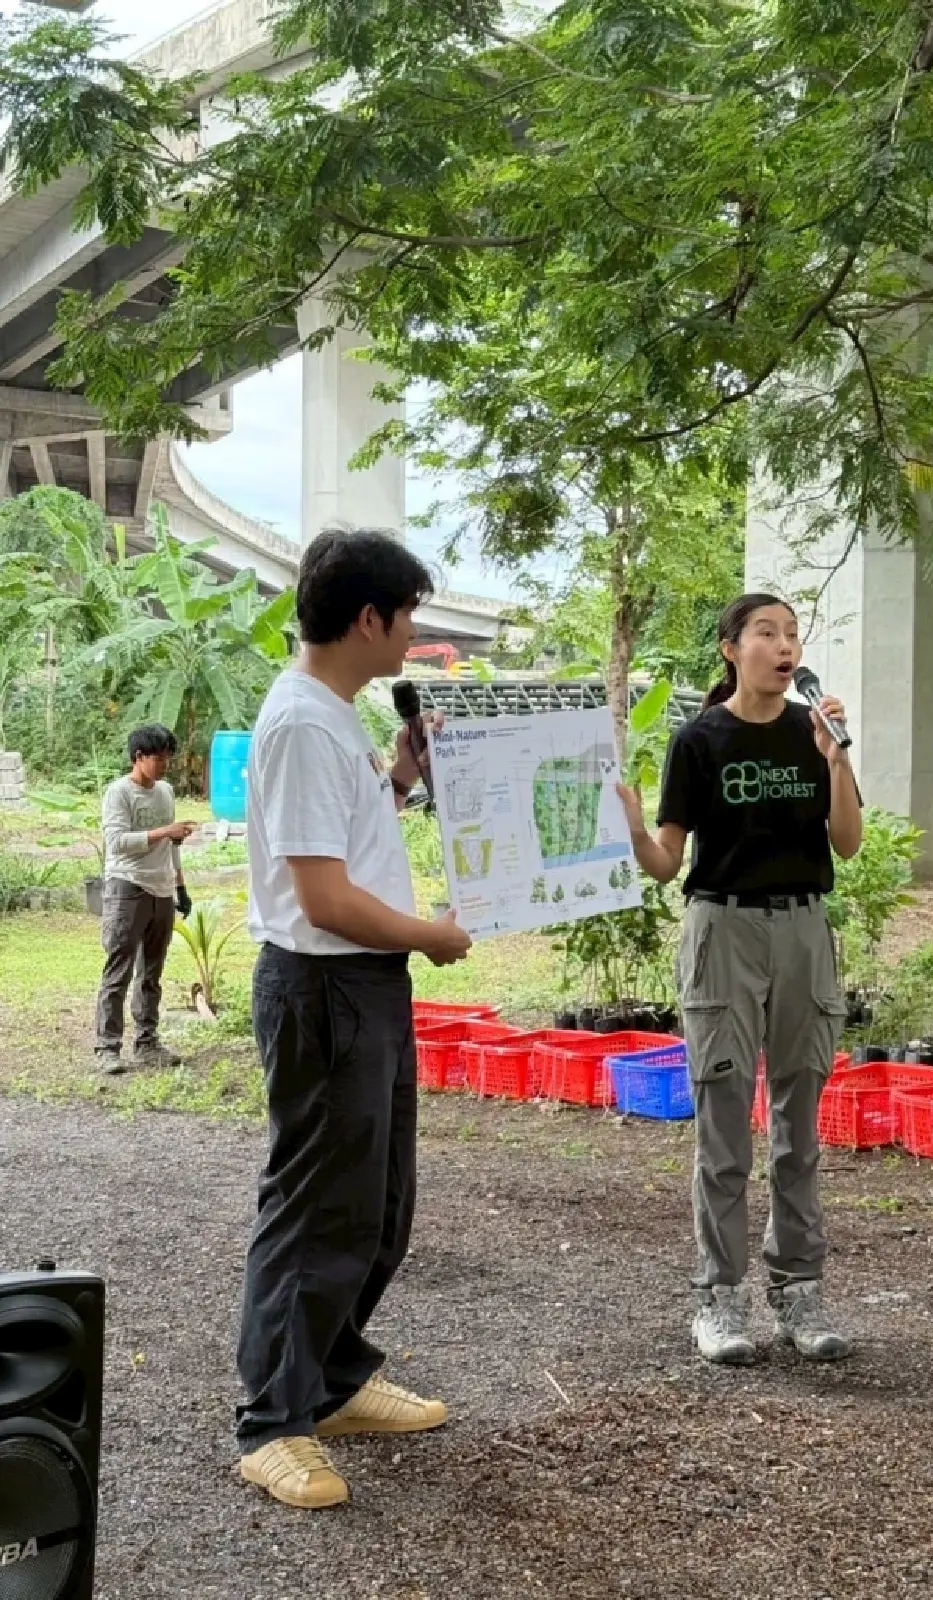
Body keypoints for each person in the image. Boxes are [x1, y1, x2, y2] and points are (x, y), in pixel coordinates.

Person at [236, 526, 473, 1512]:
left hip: (363, 985)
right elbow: (323, 897)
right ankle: (272, 1424)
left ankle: (331, 1382)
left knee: (376, 1205)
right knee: (317, 1209)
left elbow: (351, 841)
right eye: (409, 616)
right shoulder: (298, 721)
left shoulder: (334, 717)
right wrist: (426, 932)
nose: (413, 635)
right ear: (369, 618)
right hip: (326, 982)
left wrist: (404, 778)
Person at [617, 594, 863, 1367]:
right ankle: (718, 1300)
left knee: (799, 1122)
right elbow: (665, 863)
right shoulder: (699, 740)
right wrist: (627, 821)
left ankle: (800, 1292)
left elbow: (848, 844)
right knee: (724, 1125)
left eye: (792, 634)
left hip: (802, 928)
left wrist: (837, 757)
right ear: (731, 649)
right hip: (723, 928)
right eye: (767, 633)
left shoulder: (811, 734)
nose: (784, 645)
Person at [94, 723, 195, 1072]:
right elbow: (118, 842)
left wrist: (180, 885)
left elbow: (170, 845)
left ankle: (147, 1043)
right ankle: (107, 1048)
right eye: (160, 757)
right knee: (119, 969)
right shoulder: (118, 793)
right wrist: (167, 830)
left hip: (162, 888)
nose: (166, 764)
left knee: (151, 972)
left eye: (168, 758)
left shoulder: (165, 791)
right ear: (139, 757)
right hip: (128, 886)